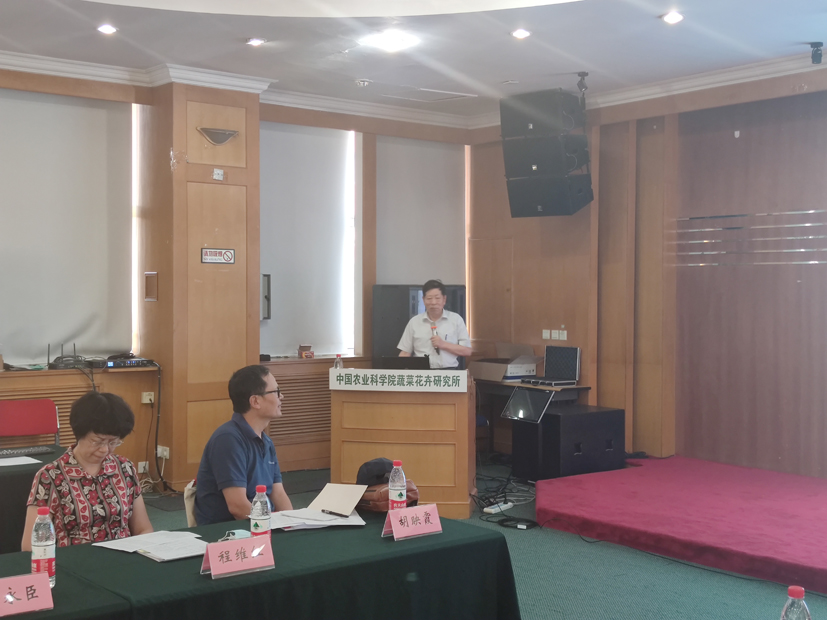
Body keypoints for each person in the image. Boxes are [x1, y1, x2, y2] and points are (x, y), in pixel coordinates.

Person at [21, 391, 153, 549]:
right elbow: (31, 546)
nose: (105, 449)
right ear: (80, 434)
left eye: (113, 442)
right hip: (73, 560)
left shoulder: (125, 468)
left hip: (123, 557)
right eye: (97, 441)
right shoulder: (50, 476)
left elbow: (143, 529)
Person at [194, 364, 293, 525]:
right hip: (230, 531)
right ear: (255, 401)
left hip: (261, 524)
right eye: (276, 391)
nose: (281, 396)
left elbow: (278, 494)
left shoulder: (266, 442)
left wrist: (292, 524)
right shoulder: (228, 439)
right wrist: (273, 526)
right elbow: (238, 507)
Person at [398, 279, 472, 369]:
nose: (433, 302)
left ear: (444, 299)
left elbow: (467, 351)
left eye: (437, 298)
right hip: (421, 372)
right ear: (423, 300)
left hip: (449, 372)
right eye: (429, 298)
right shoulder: (414, 322)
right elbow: (405, 352)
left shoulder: (456, 320)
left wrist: (443, 344)